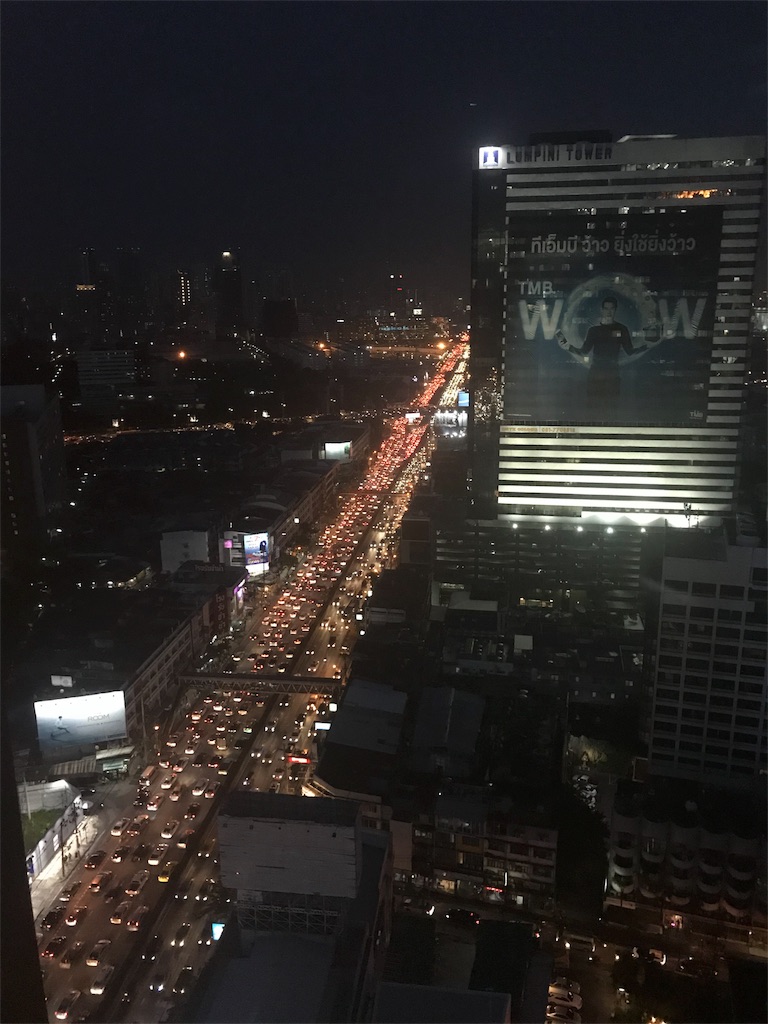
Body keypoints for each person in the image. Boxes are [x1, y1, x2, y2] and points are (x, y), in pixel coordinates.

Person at [556, 296, 655, 409]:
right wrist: (568, 347)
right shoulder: (593, 331)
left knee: (611, 408)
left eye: (611, 308)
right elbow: (584, 352)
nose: (609, 311)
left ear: (615, 310)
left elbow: (630, 351)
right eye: (606, 308)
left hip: (612, 375)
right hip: (595, 375)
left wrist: (648, 346)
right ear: (602, 310)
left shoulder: (622, 329)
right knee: (594, 408)